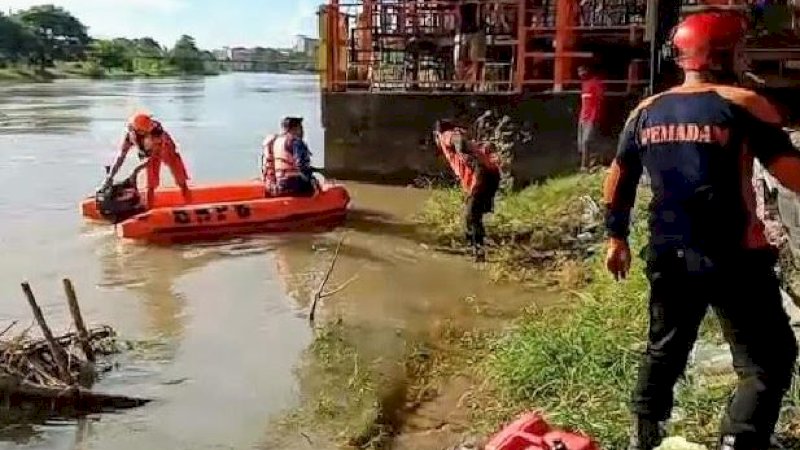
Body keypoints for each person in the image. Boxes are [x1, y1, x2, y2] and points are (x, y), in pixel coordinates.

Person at [603, 10, 800, 450]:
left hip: (668, 252)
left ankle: (644, 434)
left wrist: (616, 237)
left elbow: (618, 176)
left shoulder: (646, 111)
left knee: (665, 345)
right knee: (768, 358)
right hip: (736, 254)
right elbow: (791, 174)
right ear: (726, 53)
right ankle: (741, 439)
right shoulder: (744, 103)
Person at [433, 119, 501, 262]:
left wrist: (463, 153)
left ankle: (478, 254)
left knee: (471, 217)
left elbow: (458, 141)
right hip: (492, 174)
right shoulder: (464, 137)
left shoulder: (446, 135)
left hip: (482, 173)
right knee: (475, 216)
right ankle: (477, 249)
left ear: (437, 134)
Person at [103, 113, 191, 208]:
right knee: (150, 185)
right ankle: (150, 208)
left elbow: (152, 156)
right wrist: (110, 177)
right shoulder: (130, 136)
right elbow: (121, 157)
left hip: (166, 150)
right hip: (150, 154)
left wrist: (135, 171)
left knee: (181, 180)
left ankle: (189, 203)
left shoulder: (157, 134)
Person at [262, 117, 316, 197]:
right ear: (294, 128)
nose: (303, 132)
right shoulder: (296, 142)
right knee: (313, 186)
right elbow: (301, 165)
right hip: (293, 185)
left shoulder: (275, 142)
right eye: (300, 128)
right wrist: (311, 179)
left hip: (279, 184)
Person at [454, 1, 486, 92]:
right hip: (465, 31)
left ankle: (471, 84)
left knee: (474, 59)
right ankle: (462, 83)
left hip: (475, 31)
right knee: (461, 59)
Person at [577, 64, 605, 171]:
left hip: (591, 118)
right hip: (583, 118)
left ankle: (585, 165)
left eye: (582, 71)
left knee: (586, 141)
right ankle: (591, 161)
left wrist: (594, 117)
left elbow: (598, 102)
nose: (580, 74)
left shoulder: (596, 83)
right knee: (581, 143)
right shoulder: (584, 85)